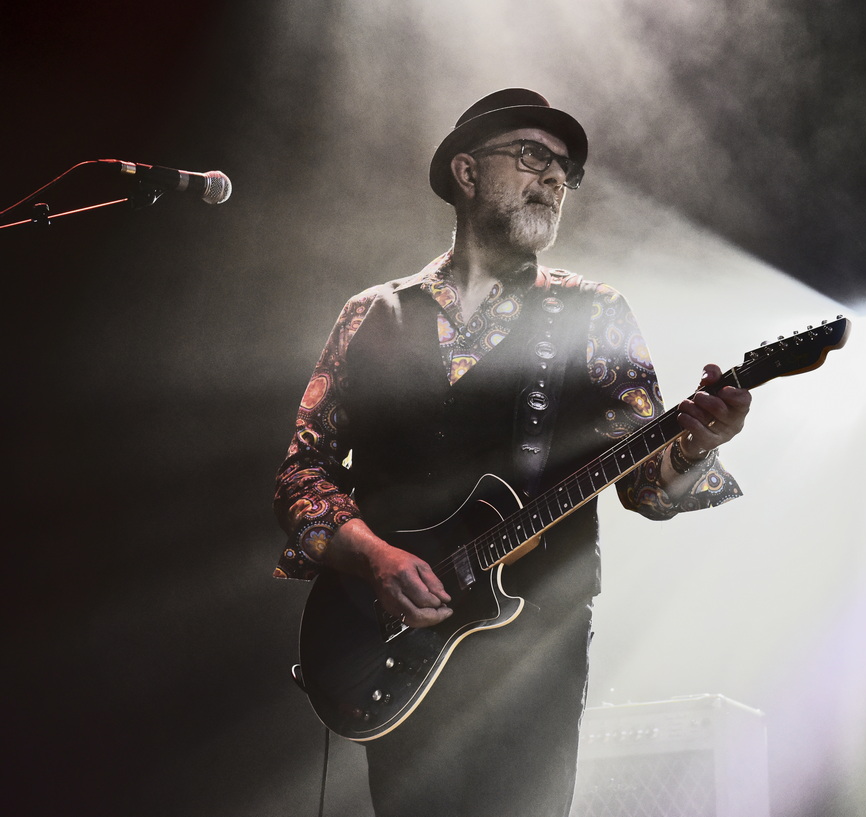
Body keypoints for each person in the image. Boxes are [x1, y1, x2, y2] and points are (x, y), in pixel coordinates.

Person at [271, 88, 752, 817]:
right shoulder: (372, 314)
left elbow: (645, 487)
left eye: (566, 171)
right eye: (533, 156)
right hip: (395, 638)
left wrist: (693, 446)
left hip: (534, 644)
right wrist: (374, 559)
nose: (555, 179)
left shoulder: (593, 312)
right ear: (466, 172)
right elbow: (302, 474)